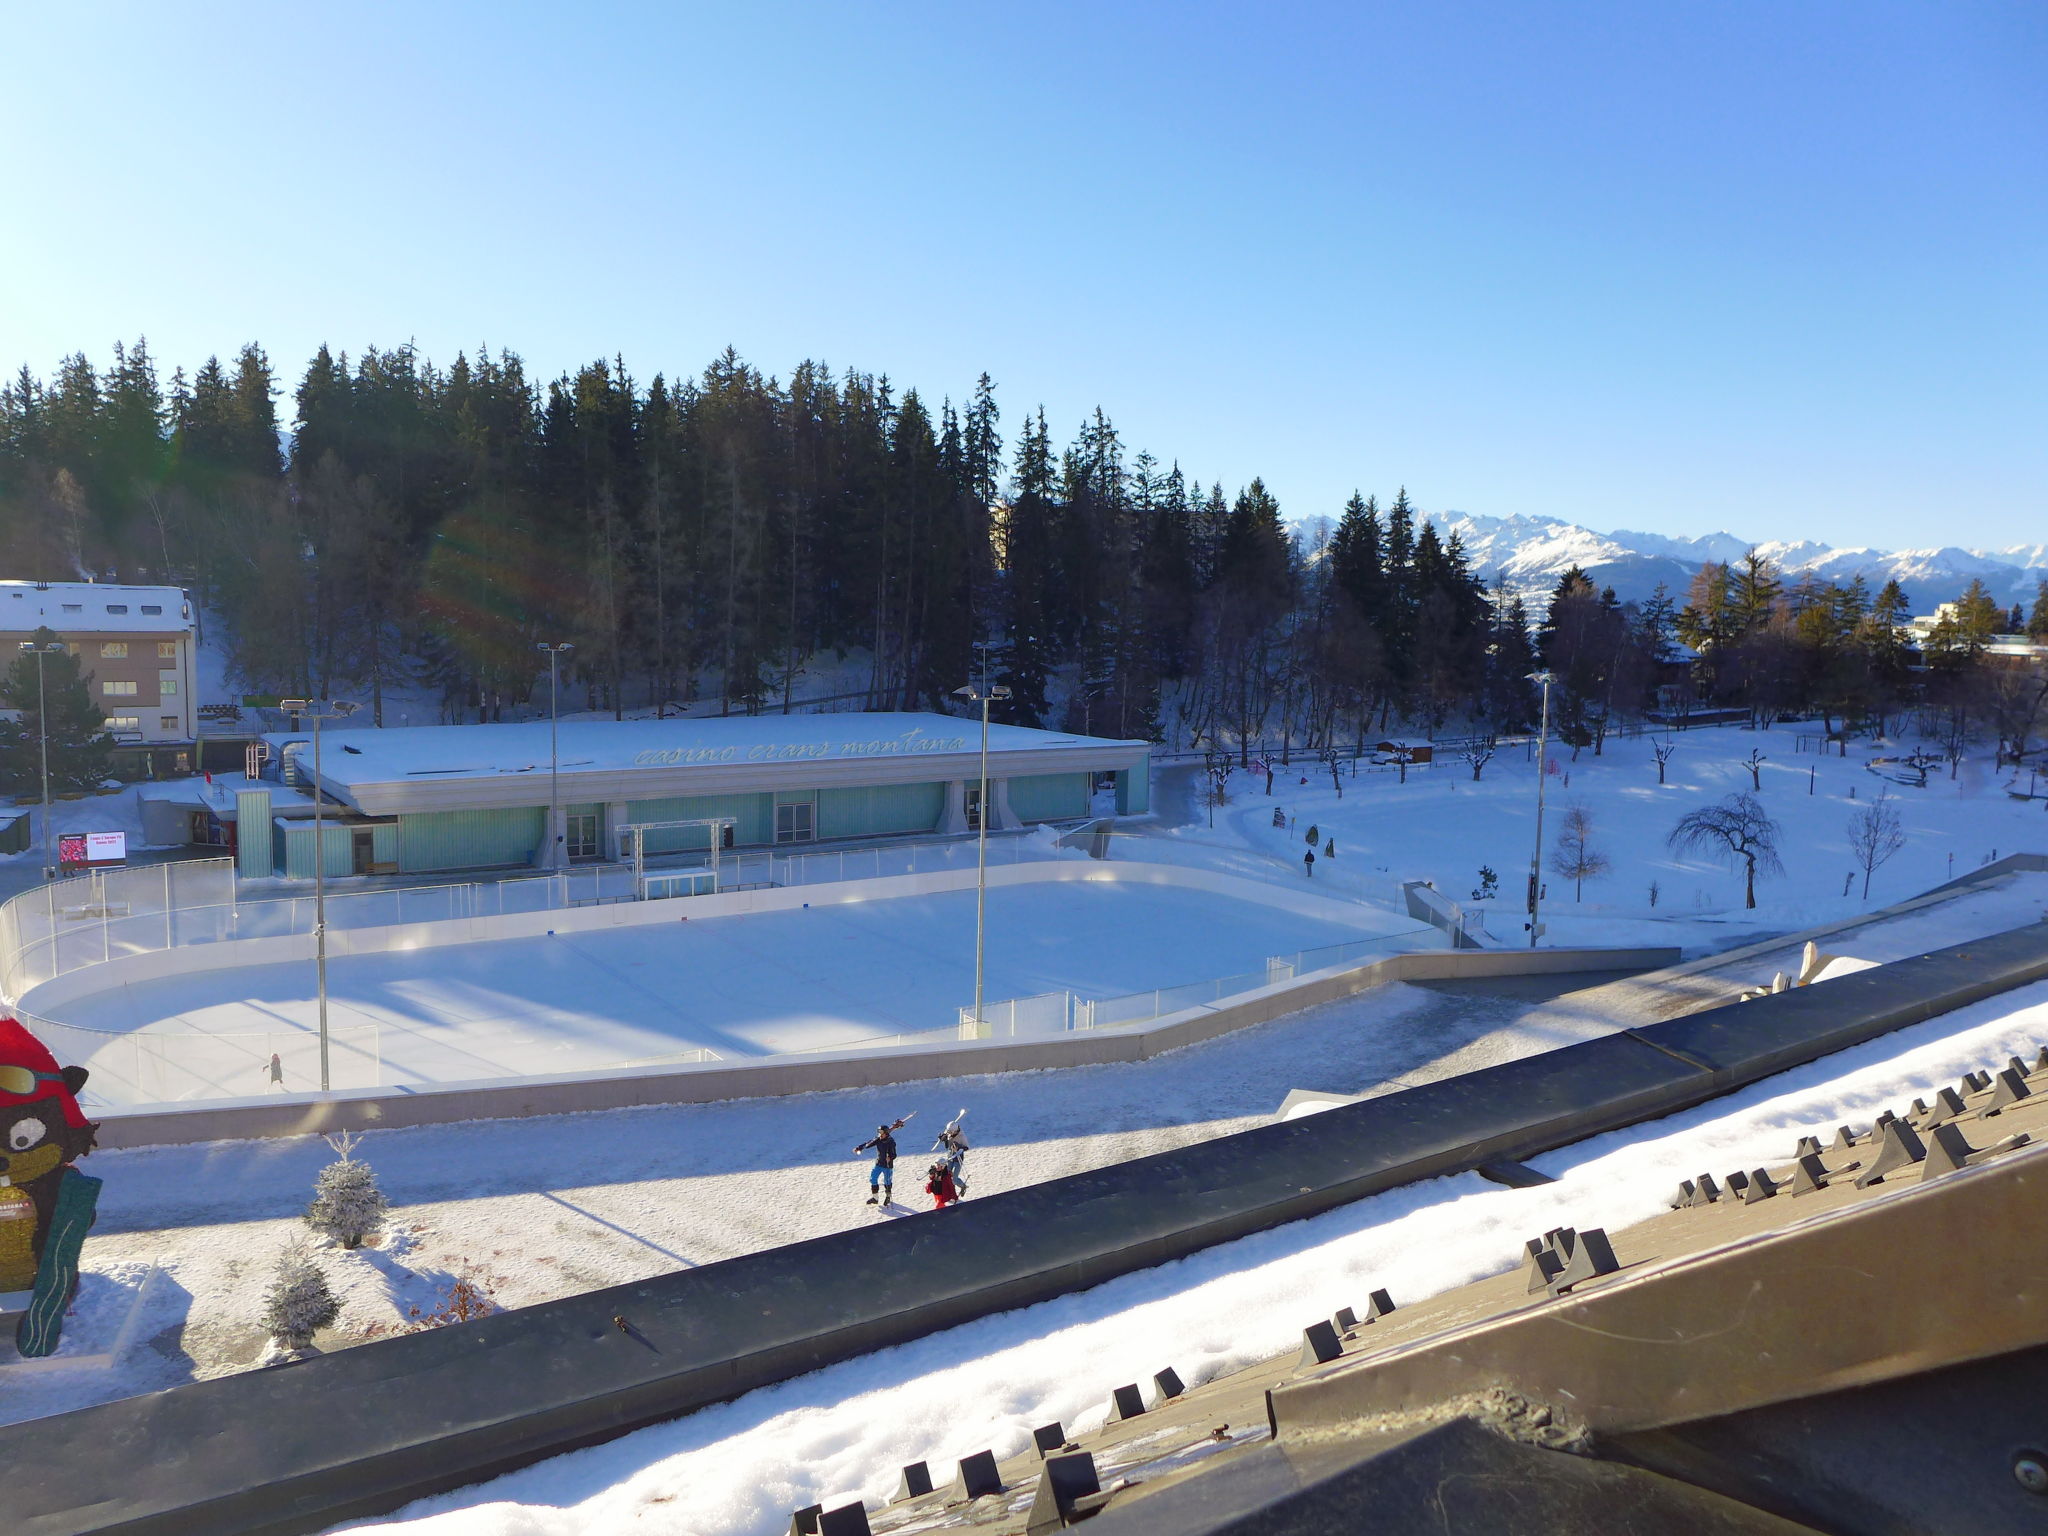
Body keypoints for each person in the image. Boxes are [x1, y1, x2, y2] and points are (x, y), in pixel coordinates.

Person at [854, 1117, 909, 1205]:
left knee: (887, 1182)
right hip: (879, 1163)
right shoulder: (878, 1139)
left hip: (887, 1166)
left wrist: (890, 1158)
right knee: (873, 1179)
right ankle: (875, 1198)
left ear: (886, 1133)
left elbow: (894, 1154)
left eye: (881, 1132)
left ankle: (888, 1197)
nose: (880, 1134)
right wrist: (859, 1147)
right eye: (879, 1132)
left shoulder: (891, 1142)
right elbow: (868, 1144)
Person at [933, 1109, 970, 1198]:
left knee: (954, 1179)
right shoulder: (950, 1133)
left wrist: (959, 1148)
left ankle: (963, 1186)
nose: (950, 1135)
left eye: (951, 1133)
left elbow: (967, 1147)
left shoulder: (962, 1136)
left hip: (958, 1158)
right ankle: (948, 1191)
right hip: (950, 1157)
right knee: (947, 1176)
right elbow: (947, 1147)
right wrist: (944, 1139)